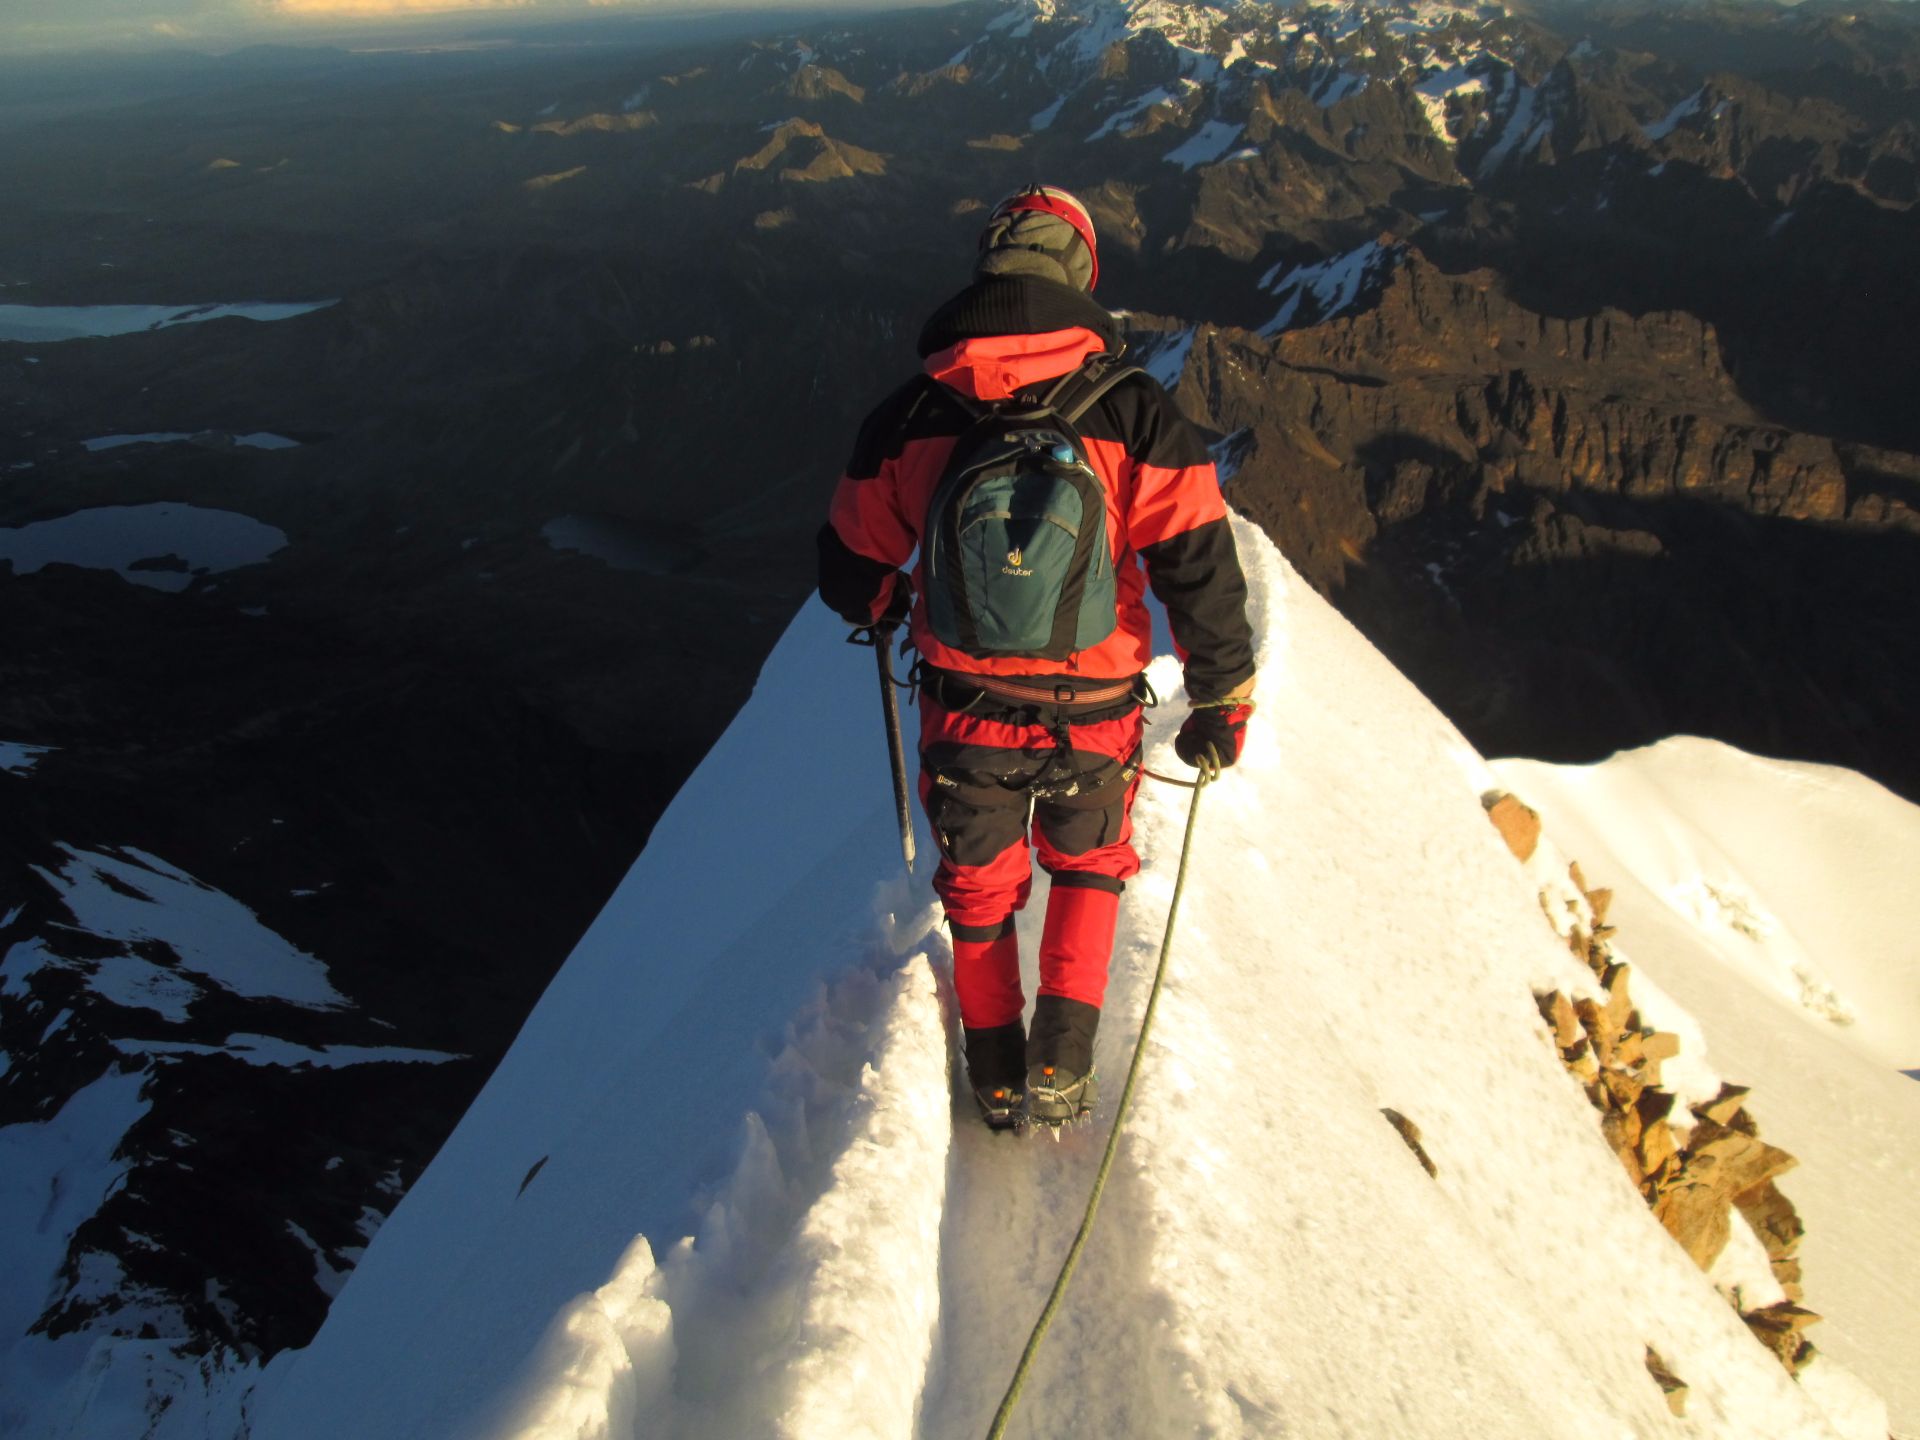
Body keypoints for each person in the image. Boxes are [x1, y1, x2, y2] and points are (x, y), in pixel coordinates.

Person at [818, 184, 1257, 1128]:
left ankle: (996, 1067)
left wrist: (892, 597)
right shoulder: (1133, 410)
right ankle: (1063, 1054)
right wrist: (1223, 698)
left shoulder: (911, 412)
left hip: (964, 702)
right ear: (1082, 275)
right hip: (1096, 704)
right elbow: (1199, 564)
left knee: (978, 882)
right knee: (1090, 858)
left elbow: (850, 569)